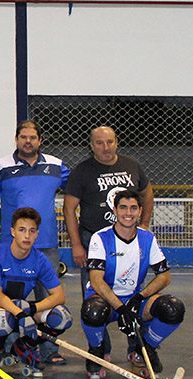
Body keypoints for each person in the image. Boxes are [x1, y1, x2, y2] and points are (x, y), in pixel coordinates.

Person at [80, 190, 182, 379]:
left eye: (133, 208)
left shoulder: (147, 238)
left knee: (172, 308)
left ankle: (145, 349)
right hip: (105, 300)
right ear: (115, 210)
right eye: (123, 208)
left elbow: (164, 276)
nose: (128, 213)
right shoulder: (100, 238)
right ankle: (97, 351)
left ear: (140, 211)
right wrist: (121, 309)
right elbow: (96, 280)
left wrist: (139, 298)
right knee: (93, 311)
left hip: (134, 299)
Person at [0, 120, 70, 365]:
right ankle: (8, 349)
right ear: (16, 139)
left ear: (40, 140)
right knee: (9, 302)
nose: (28, 142)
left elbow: (77, 191)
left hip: (46, 245)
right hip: (12, 249)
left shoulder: (56, 166)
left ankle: (48, 350)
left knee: (48, 299)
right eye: (23, 137)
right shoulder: (1, 166)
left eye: (32, 138)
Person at [0, 208, 73, 378]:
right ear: (12, 232)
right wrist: (21, 314)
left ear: (37, 234)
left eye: (32, 231)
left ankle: (24, 347)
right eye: (22, 230)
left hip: (20, 308)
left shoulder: (39, 259)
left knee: (62, 316)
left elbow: (59, 296)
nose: (27, 236)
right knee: (1, 319)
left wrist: (32, 309)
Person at [64, 125, 153, 292]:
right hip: (93, 238)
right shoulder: (81, 171)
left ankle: (129, 308)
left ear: (116, 143)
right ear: (91, 146)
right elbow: (69, 209)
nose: (106, 147)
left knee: (130, 283)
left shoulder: (131, 165)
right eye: (99, 143)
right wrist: (76, 244)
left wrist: (145, 224)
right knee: (94, 289)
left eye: (110, 142)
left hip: (128, 238)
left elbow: (147, 193)